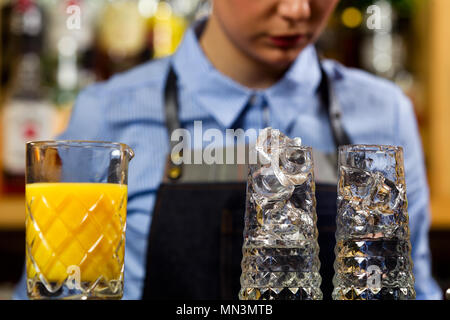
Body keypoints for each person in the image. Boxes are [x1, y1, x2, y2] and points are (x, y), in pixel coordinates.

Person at [14, 0, 442, 300]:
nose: (297, 10)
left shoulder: (385, 113)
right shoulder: (105, 113)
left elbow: (413, 286)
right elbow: (54, 288)